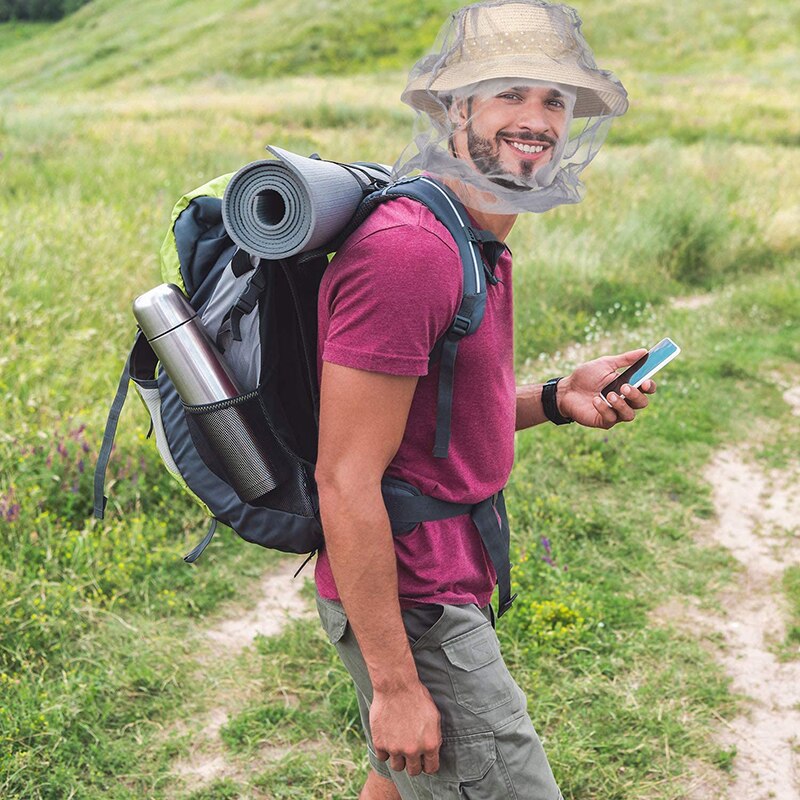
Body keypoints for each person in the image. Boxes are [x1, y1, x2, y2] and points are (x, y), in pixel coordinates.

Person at [313, 2, 653, 797]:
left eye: (556, 101)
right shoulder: (411, 252)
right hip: (417, 599)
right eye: (509, 93)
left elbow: (433, 423)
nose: (537, 120)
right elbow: (345, 478)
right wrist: (397, 687)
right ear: (455, 110)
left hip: (444, 578)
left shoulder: (473, 240)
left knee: (394, 785)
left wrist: (557, 398)